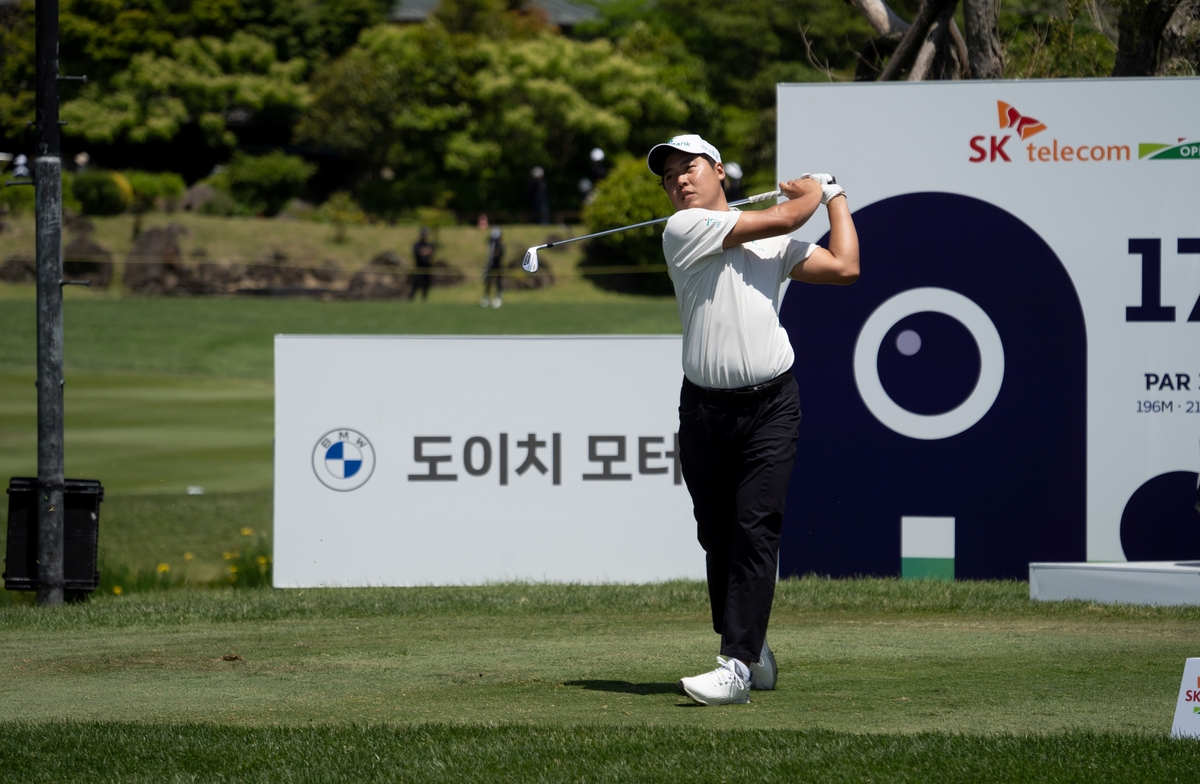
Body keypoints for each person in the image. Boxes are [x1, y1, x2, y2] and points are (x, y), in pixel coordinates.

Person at [647, 134, 860, 706]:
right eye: (668, 177)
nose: (678, 183)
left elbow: (845, 266)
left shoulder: (773, 238)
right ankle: (751, 645)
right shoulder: (683, 230)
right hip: (705, 410)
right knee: (716, 536)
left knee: (755, 527)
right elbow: (787, 214)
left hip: (772, 404)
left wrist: (835, 197)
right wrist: (814, 192)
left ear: (719, 170)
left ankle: (736, 664)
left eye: (687, 168)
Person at [481, 226, 504, 308]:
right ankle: (486, 297)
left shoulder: (501, 245)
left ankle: (498, 297)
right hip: (490, 265)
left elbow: (501, 254)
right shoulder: (491, 243)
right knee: (488, 282)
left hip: (498, 266)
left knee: (498, 282)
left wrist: (498, 253)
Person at [411, 226, 434, 301]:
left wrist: (424, 251)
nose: (424, 236)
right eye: (423, 234)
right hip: (419, 268)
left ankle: (424, 299)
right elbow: (417, 253)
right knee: (416, 284)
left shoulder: (429, 244)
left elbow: (431, 252)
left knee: (426, 284)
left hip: (427, 268)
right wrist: (424, 251)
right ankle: (411, 298)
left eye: (425, 234)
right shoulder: (417, 244)